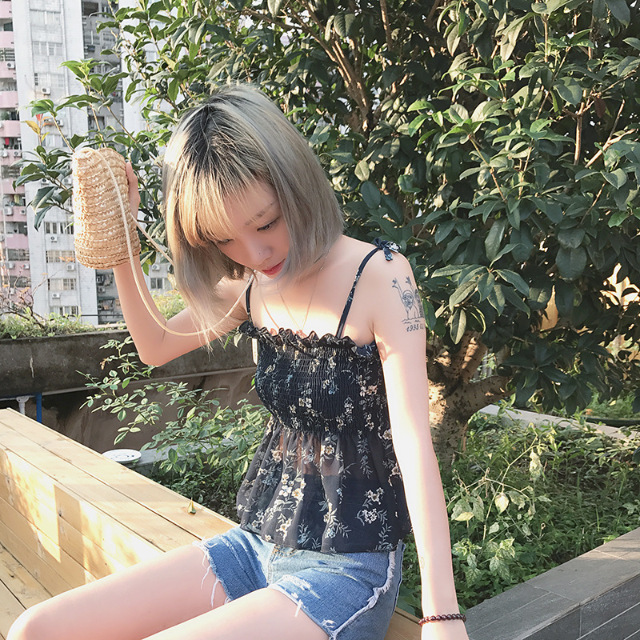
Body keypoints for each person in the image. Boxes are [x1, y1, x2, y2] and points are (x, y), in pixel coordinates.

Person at [8, 84, 469, 640]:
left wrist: (442, 613)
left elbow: (414, 442)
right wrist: (123, 241)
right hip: (255, 544)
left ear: (297, 185)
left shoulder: (380, 277)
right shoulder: (253, 286)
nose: (255, 253)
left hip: (346, 568)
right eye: (224, 238)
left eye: (267, 222)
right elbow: (156, 345)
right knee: (37, 628)